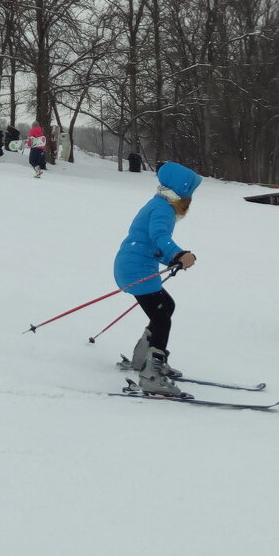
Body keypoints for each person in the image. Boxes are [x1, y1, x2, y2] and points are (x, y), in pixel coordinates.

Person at [114, 161, 201, 396]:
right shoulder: (163, 209)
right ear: (182, 192)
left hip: (135, 265)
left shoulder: (159, 204)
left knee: (165, 308)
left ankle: (142, 358)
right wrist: (177, 254)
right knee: (162, 315)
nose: (191, 199)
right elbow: (159, 236)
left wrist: (171, 258)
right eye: (190, 193)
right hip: (137, 268)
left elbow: (150, 242)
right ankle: (152, 373)